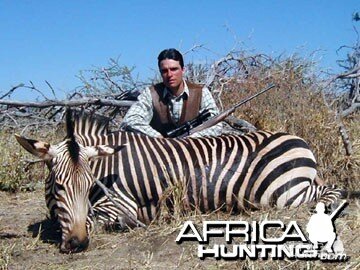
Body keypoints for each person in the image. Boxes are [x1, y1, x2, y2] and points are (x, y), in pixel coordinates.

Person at [120, 48, 223, 138]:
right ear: (160, 73)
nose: (169, 75)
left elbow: (216, 125)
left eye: (174, 69)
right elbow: (130, 120)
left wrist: (192, 137)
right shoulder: (151, 94)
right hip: (159, 151)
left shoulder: (201, 92)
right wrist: (158, 137)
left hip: (193, 150)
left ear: (183, 70)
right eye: (164, 71)